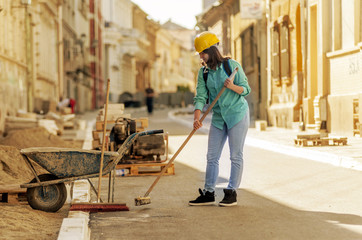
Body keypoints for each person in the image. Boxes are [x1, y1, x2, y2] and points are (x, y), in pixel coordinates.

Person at [189, 31, 251, 207]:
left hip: (237, 114)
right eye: (200, 53)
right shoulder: (204, 72)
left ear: (211, 50)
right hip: (218, 118)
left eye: (203, 52)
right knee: (212, 156)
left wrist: (232, 86)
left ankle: (231, 192)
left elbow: (246, 89)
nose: (201, 56)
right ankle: (209, 192)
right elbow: (200, 96)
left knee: (235, 155)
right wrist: (197, 118)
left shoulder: (231, 66)